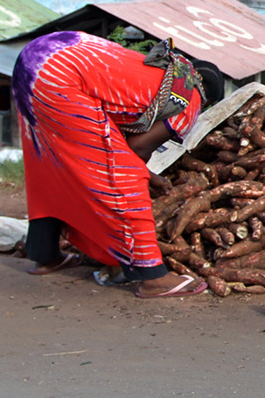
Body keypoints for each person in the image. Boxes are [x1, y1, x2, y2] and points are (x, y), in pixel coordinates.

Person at [13, 31, 224, 298]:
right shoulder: (190, 97)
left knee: (49, 162)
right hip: (60, 75)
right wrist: (145, 176)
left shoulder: (168, 70)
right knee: (125, 176)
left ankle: (44, 253)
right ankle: (152, 276)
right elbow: (136, 148)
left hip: (39, 55)